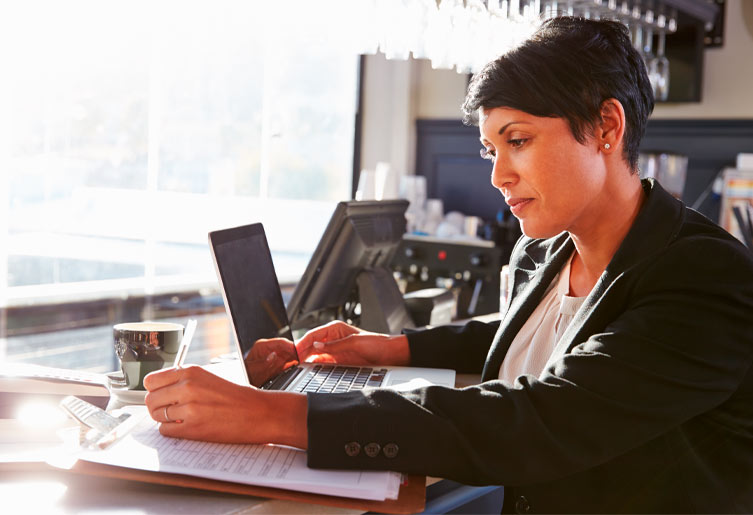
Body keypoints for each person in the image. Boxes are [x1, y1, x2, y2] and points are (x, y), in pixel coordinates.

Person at [144, 16, 753, 513]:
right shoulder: (544, 249)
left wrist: (267, 414)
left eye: (518, 141)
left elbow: (541, 419)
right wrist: (395, 349)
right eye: (491, 150)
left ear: (605, 126)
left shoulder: (706, 278)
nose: (497, 175)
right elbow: (538, 332)